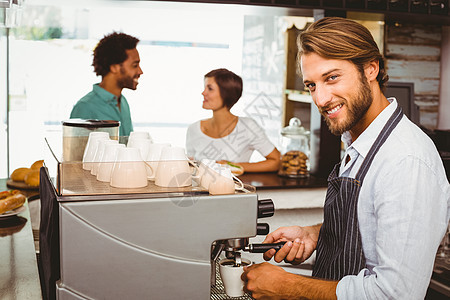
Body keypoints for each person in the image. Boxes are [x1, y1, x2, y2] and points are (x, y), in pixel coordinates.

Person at [242, 17, 450, 299]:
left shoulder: (405, 161)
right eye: (311, 85)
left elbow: (395, 294)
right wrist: (318, 233)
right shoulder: (362, 141)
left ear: (371, 69)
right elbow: (371, 224)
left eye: (332, 77)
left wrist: (287, 286)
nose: (321, 99)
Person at [186, 68, 280, 173]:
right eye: (204, 88)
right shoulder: (193, 129)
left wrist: (233, 166)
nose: (203, 93)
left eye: (210, 89)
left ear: (226, 93)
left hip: (234, 188)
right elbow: (190, 167)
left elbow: (276, 161)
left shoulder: (247, 127)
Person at [70, 32, 143, 136]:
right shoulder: (85, 107)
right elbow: (76, 151)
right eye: (134, 65)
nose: (140, 71)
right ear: (114, 67)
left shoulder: (123, 102)